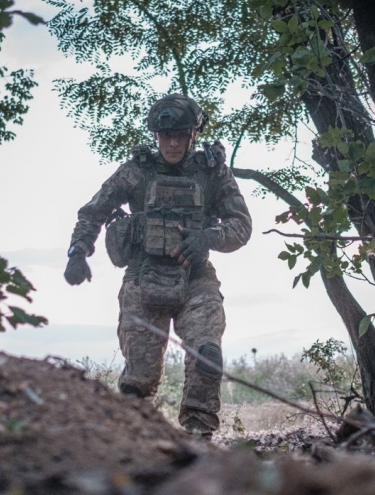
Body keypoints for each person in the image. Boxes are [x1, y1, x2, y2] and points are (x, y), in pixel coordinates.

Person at [63, 93, 252, 438]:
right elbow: (94, 211)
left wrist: (207, 238)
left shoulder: (212, 172)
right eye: (166, 136)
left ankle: (198, 437)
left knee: (207, 354)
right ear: (156, 136)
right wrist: (78, 251)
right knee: (139, 377)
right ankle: (134, 442)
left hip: (195, 278)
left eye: (180, 135)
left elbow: (241, 226)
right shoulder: (138, 170)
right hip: (142, 277)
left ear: (193, 135)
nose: (173, 143)